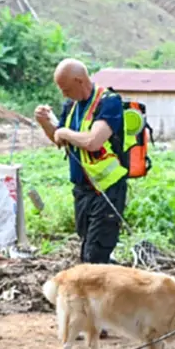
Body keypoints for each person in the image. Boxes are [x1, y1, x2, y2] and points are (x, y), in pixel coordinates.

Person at [35, 59, 127, 265]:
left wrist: (65, 132)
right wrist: (45, 123)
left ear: (79, 81)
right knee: (87, 244)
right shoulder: (71, 106)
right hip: (82, 190)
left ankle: (104, 291)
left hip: (107, 189)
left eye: (66, 89)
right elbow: (59, 140)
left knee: (95, 253)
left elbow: (93, 141)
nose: (63, 94)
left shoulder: (109, 102)